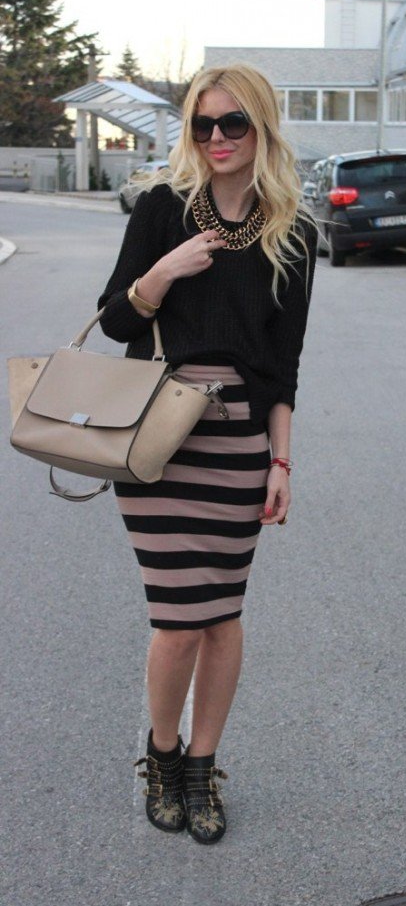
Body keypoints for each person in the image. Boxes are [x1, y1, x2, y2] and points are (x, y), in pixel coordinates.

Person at [97, 63, 317, 845]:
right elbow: (116, 321)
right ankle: (161, 755)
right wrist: (164, 270)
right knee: (179, 619)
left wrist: (281, 462)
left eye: (233, 123)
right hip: (161, 439)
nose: (216, 137)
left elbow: (284, 366)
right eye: (202, 124)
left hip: (238, 445)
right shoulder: (162, 208)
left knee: (222, 615)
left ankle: (201, 765)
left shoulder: (293, 232)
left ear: (261, 127)